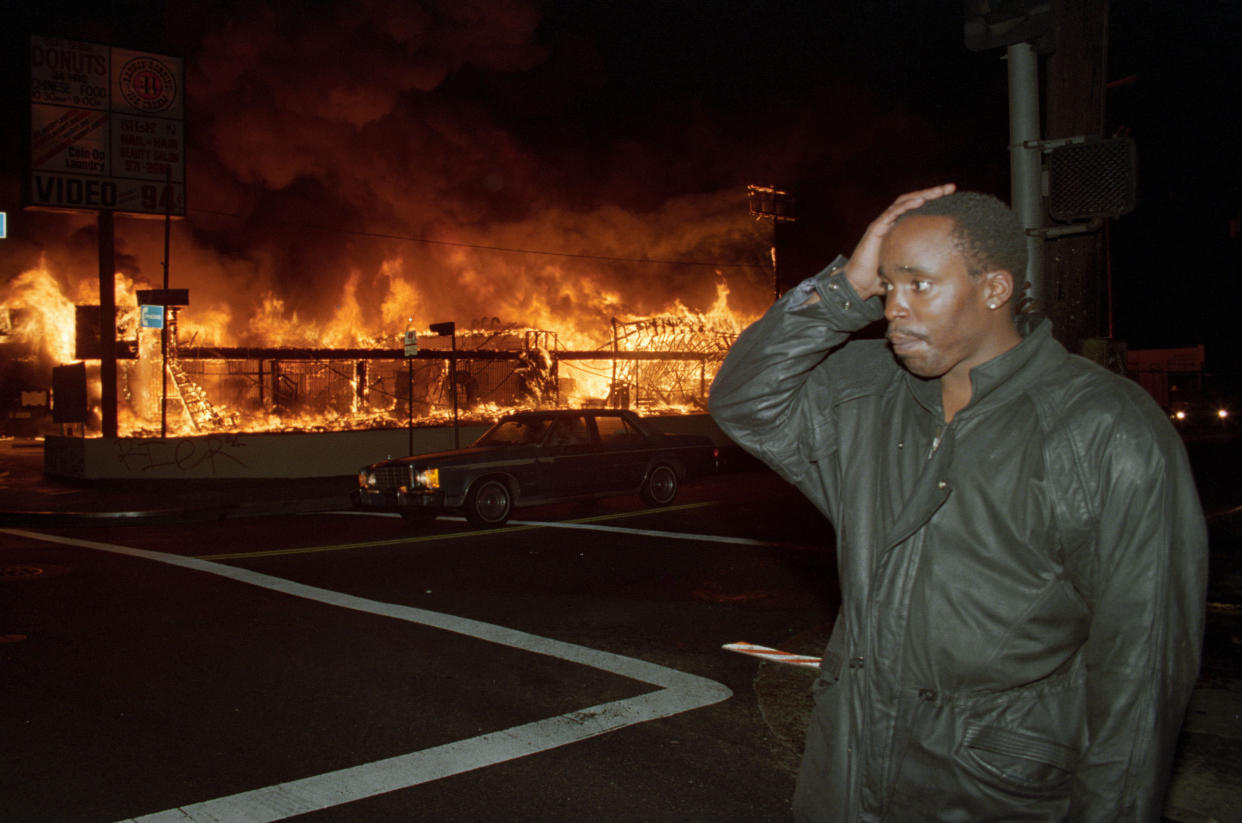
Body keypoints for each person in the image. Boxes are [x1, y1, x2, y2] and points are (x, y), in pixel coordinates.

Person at [709, 186, 1208, 822]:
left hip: (995, 791)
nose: (893, 309)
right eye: (887, 288)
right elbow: (743, 400)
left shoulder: (1103, 427)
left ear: (995, 289)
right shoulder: (864, 392)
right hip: (850, 775)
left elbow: (1143, 668)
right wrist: (847, 284)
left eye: (919, 285)